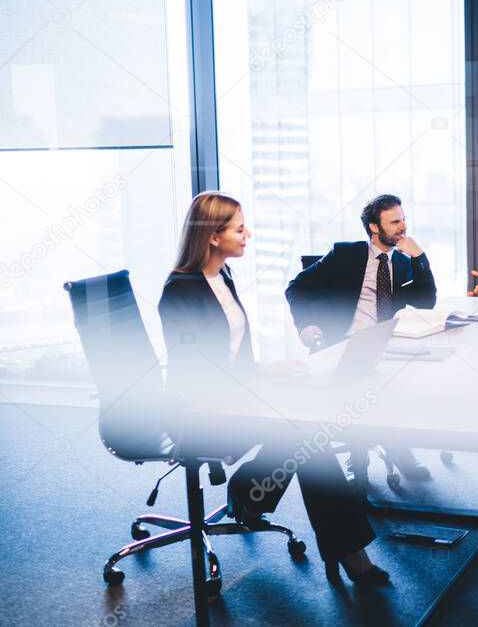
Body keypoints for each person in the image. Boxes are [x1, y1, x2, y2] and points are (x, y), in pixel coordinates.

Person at [158, 191, 389, 586]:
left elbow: (232, 360)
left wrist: (275, 370)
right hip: (196, 410)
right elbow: (197, 373)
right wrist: (260, 383)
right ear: (213, 236)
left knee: (308, 423)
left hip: (234, 397)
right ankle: (344, 549)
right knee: (307, 433)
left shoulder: (221, 277)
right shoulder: (181, 292)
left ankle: (255, 493)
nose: (248, 234)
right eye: (239, 227)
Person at [285, 193, 438, 480]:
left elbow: (427, 301)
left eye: (403, 219)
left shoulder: (404, 262)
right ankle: (366, 456)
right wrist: (305, 325)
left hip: (384, 343)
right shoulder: (346, 254)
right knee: (367, 385)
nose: (403, 226)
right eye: (394, 222)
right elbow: (296, 287)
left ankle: (396, 446)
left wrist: (419, 256)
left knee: (409, 378)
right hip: (342, 343)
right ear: (374, 228)